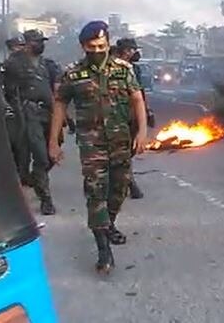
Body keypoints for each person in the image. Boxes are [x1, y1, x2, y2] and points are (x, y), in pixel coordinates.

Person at [48, 20, 148, 275]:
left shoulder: (123, 69)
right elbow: (59, 104)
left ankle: (109, 223)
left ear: (108, 43)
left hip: (120, 140)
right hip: (91, 144)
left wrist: (143, 132)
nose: (97, 50)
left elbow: (137, 100)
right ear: (83, 46)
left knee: (120, 188)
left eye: (101, 45)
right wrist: (54, 140)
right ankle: (104, 250)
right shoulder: (72, 73)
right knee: (95, 193)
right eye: (92, 46)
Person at [3, 30, 58, 215]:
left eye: (42, 41)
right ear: (27, 42)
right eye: (37, 41)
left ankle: (33, 177)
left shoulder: (46, 63)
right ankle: (46, 199)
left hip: (47, 112)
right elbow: (8, 92)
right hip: (28, 113)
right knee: (41, 156)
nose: (41, 44)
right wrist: (15, 114)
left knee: (52, 155)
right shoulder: (14, 63)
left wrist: (63, 118)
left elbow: (52, 90)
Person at [113, 37, 156, 199]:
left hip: (132, 114)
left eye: (134, 49)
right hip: (115, 114)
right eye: (131, 49)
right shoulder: (111, 67)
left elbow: (139, 93)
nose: (133, 52)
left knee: (129, 150)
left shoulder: (134, 69)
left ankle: (126, 181)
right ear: (124, 50)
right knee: (120, 151)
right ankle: (128, 183)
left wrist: (146, 111)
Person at [1, 37, 31, 187]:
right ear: (11, 48)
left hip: (27, 106)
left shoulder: (28, 64)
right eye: (17, 46)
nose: (21, 49)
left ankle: (22, 174)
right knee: (16, 142)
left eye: (22, 46)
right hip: (13, 106)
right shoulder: (7, 65)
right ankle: (18, 175)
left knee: (24, 144)